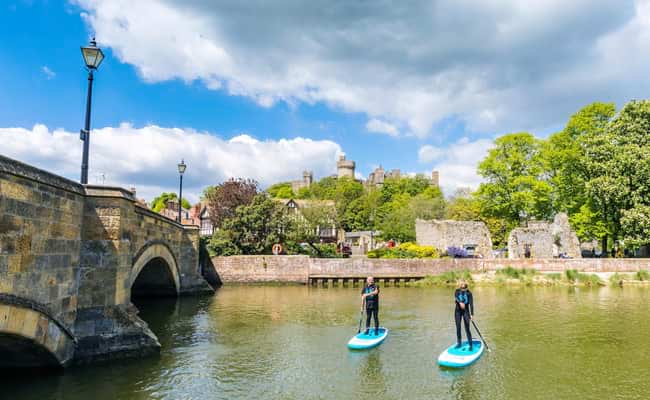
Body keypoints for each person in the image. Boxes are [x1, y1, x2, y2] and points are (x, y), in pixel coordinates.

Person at [454, 280, 474, 350]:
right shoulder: (457, 291)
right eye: (462, 288)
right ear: (460, 287)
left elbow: (471, 304)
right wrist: (460, 302)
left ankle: (470, 345)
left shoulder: (469, 293)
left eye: (465, 288)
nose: (463, 289)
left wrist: (472, 314)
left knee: (467, 328)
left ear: (466, 287)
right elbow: (456, 297)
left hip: (466, 312)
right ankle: (459, 343)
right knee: (458, 327)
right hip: (457, 312)